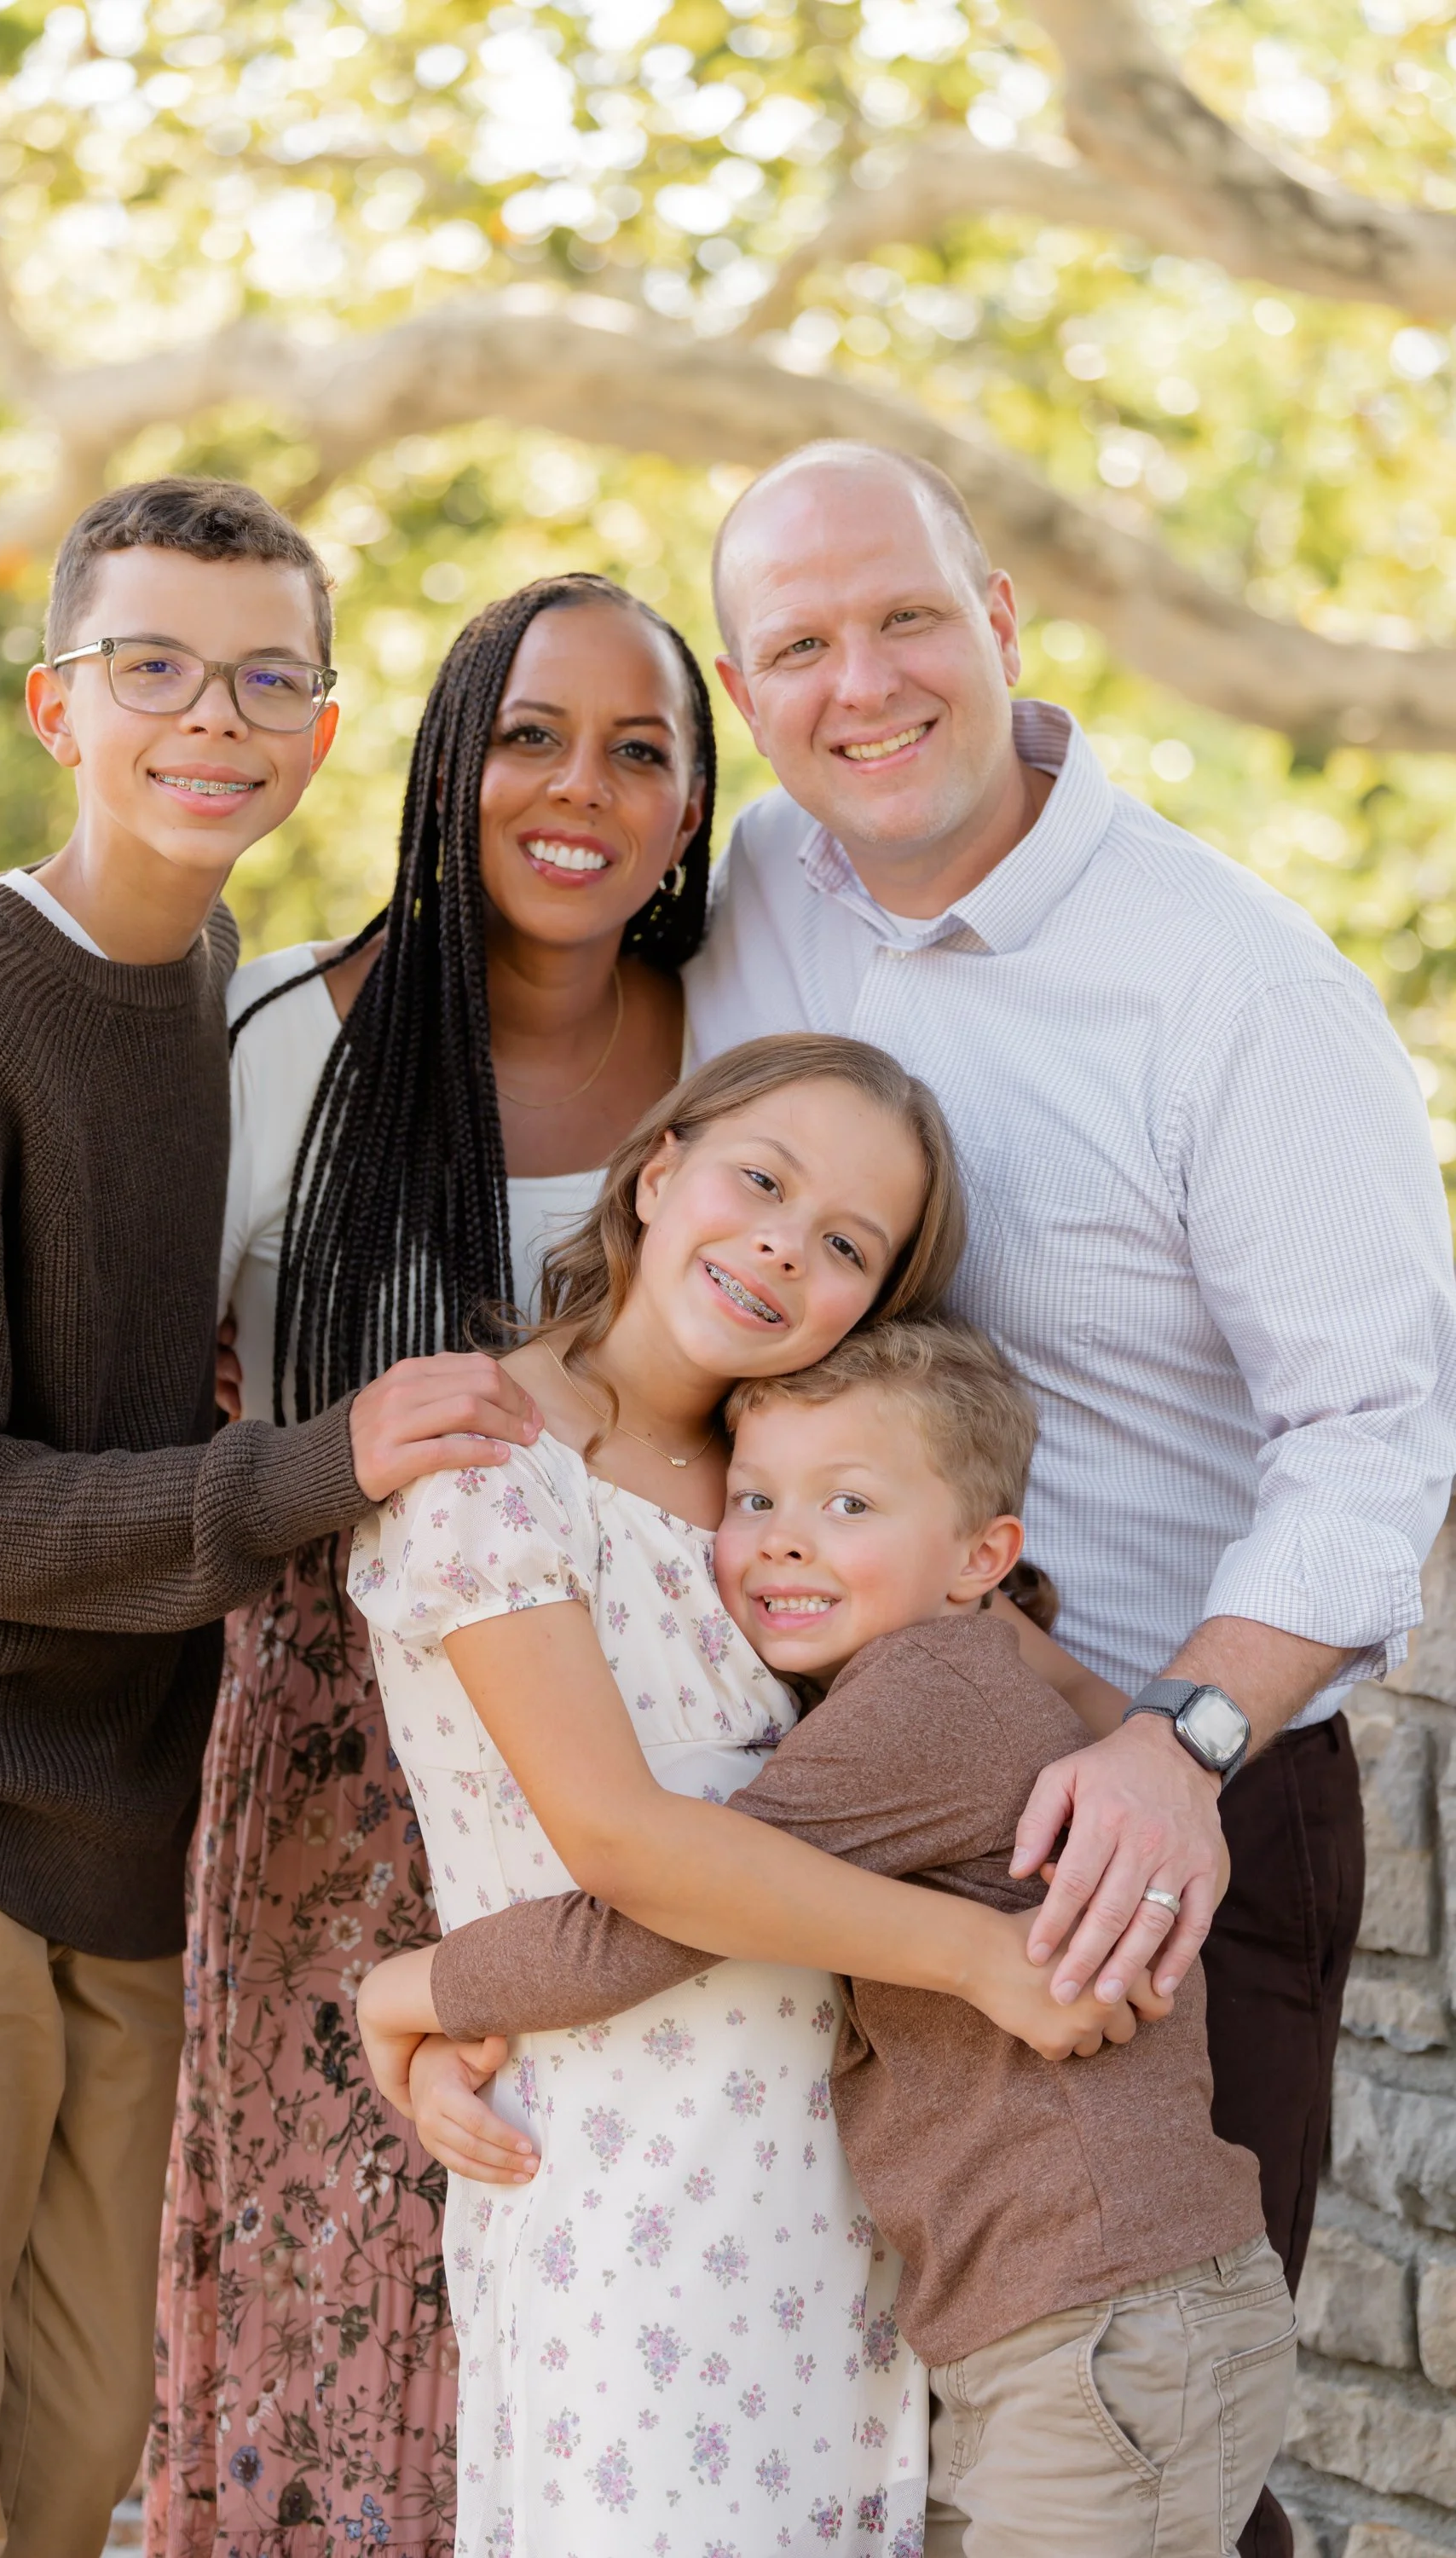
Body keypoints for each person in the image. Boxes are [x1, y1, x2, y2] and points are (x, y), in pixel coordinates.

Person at [679, 442, 1456, 2558]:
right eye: (801, 646)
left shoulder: (1233, 985)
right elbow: (486, 1021)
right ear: (750, 695)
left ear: (1002, 619)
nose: (865, 681)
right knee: (853, 2459)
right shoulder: (744, 890)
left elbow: (1379, 1432)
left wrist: (1176, 1742)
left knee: (1140, 2456)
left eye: (906, 616)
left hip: (1153, 1823)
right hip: (828, 1823)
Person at [0, 477, 534, 2558]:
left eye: (268, 674)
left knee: (82, 2448)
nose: (214, 715)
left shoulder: (241, 1014)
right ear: (58, 703)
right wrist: (318, 1457)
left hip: (131, 1824)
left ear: (324, 727)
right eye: (157, 668)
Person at [347, 1036, 1161, 2558]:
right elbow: (626, 1845)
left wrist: (1170, 1763)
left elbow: (1075, 1713)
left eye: (847, 1243)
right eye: (761, 1181)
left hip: (860, 2198)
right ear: (660, 1173)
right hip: (624, 2185)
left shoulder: (788, 1491)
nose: (787, 1243)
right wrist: (984, 1958)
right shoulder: (489, 1469)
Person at [147, 574, 719, 2555]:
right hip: (334, 1772)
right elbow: (117, 1374)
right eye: (531, 734)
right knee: (339, 2324)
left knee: (607, 2340)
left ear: (693, 802)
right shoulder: (279, 1045)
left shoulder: (740, 1060)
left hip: (646, 1783)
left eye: (642, 749)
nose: (582, 789)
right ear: (444, 755)